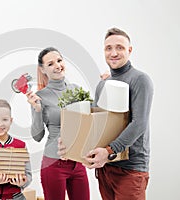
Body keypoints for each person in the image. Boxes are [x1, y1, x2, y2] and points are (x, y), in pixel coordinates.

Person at [58, 27, 154, 200]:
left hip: (130, 169)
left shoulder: (140, 80)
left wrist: (109, 150)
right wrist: (71, 145)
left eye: (120, 47)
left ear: (129, 50)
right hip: (105, 168)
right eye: (108, 48)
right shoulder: (103, 84)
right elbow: (96, 125)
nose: (114, 53)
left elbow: (139, 123)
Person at [26, 47, 90, 200]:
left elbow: (89, 122)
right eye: (50, 64)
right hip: (54, 163)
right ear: (42, 70)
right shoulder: (39, 97)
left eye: (59, 61)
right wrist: (36, 109)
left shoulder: (77, 90)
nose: (57, 66)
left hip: (78, 161)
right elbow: (37, 136)